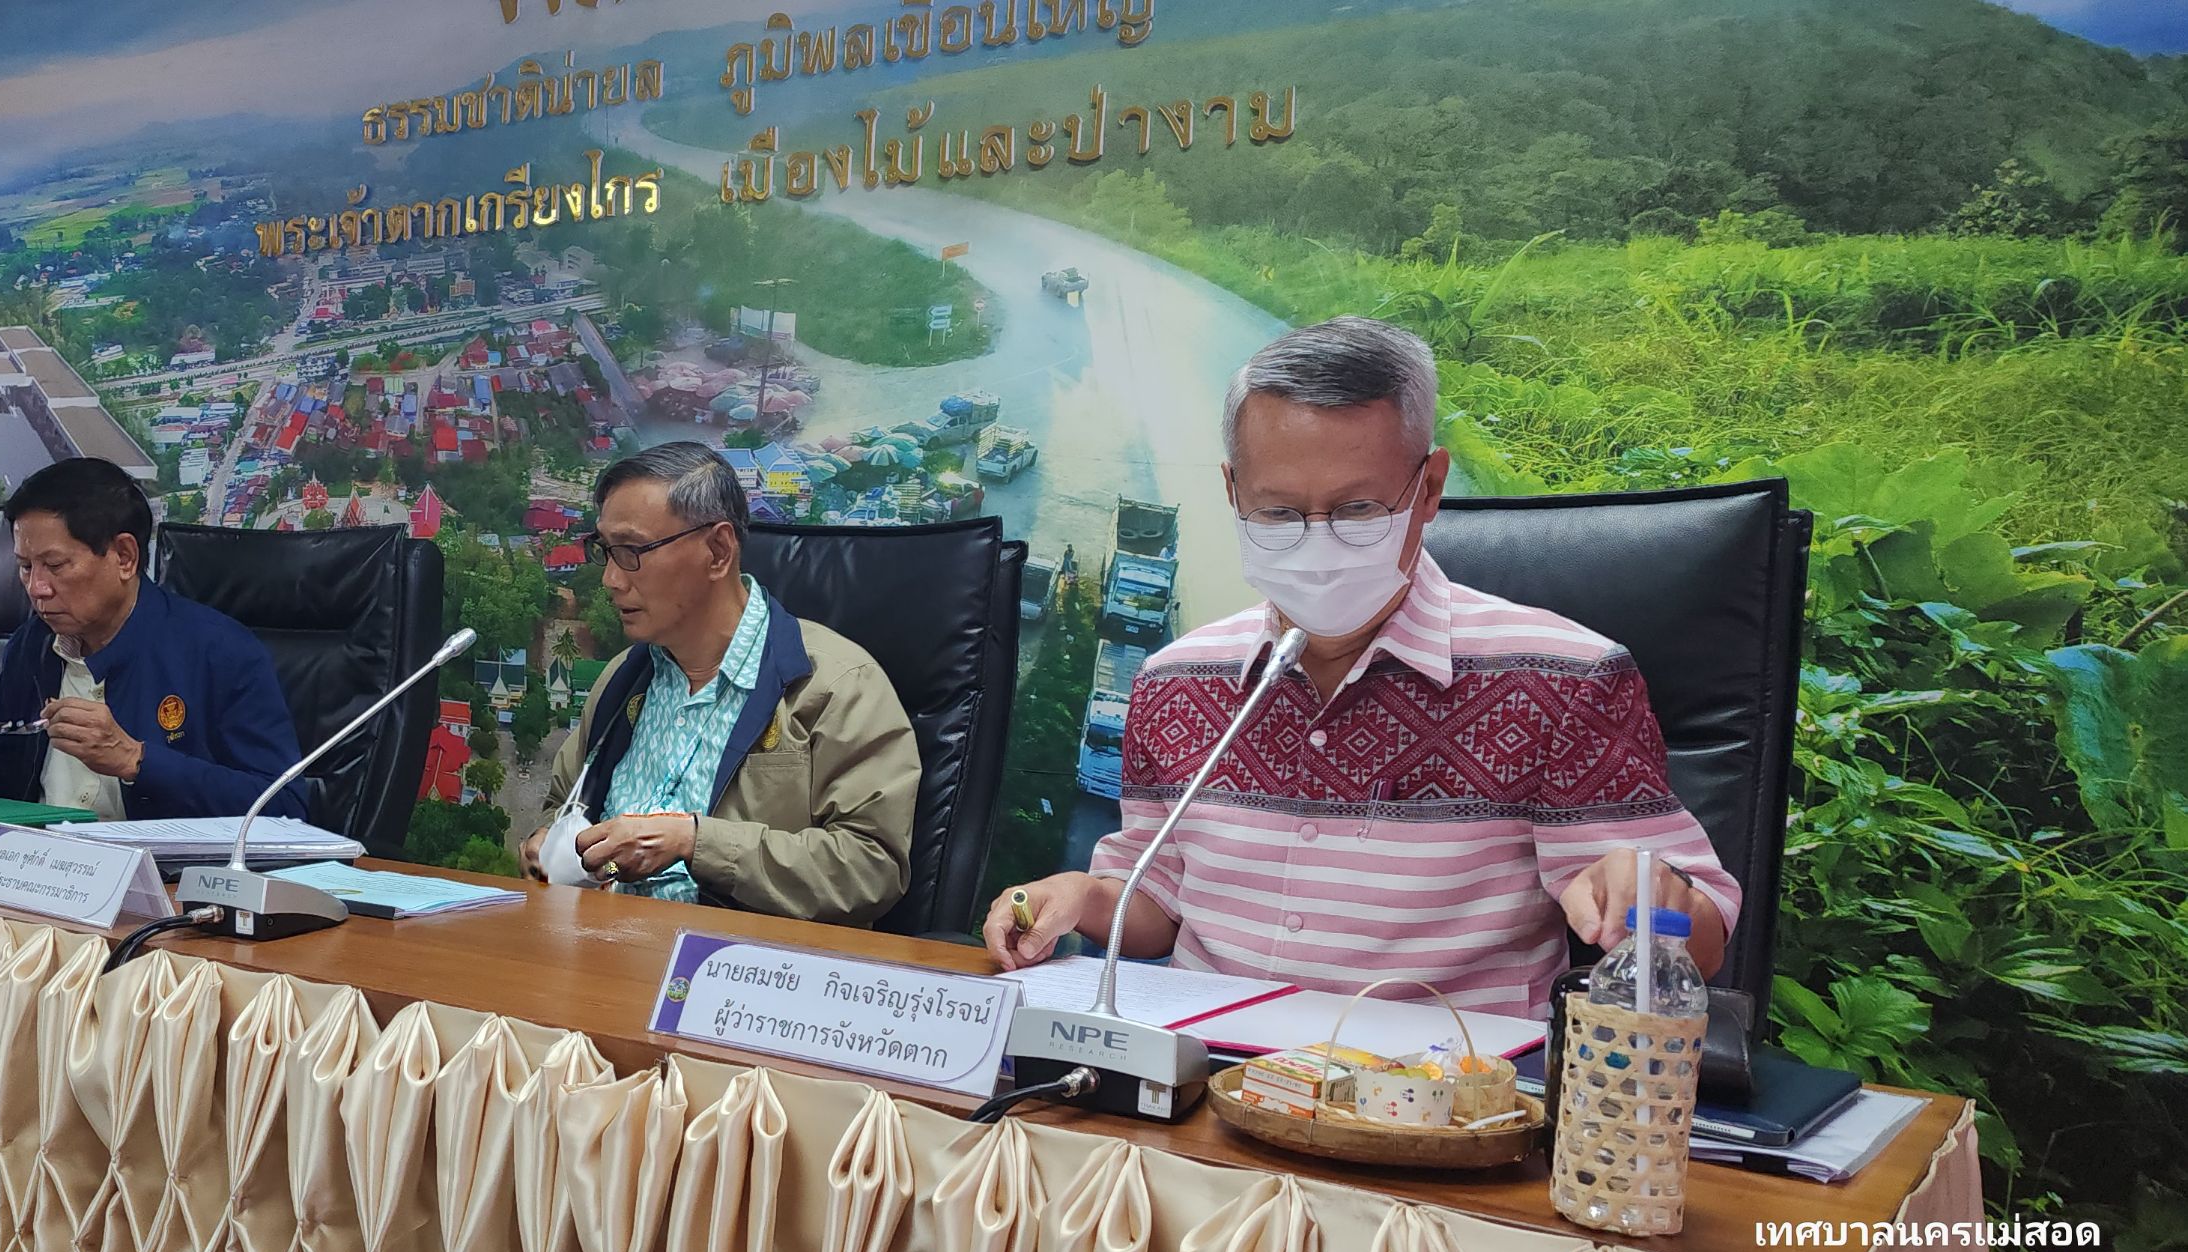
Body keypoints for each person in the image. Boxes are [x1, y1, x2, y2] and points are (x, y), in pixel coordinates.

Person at [982, 317, 1740, 1017]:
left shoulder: (1565, 679)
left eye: (1357, 511)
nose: (1317, 542)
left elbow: (1701, 948)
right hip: (1204, 1077)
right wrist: (1081, 894)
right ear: (1232, 491)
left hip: (1440, 1096)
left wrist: (1650, 899)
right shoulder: (1176, 680)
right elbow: (1158, 908)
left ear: (1429, 488)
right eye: (1278, 512)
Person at [521, 442, 920, 927]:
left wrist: (695, 842)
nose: (610, 579)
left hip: (744, 965)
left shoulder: (833, 686)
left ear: (718, 551)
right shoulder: (623, 680)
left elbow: (872, 868)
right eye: (605, 551)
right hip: (602, 948)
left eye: (631, 552)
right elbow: (562, 803)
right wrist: (547, 842)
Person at [0, 457, 305, 819]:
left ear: (124, 557)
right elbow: (0, 782)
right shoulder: (33, 645)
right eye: (25, 567)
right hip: (39, 862)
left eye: (55, 565)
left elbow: (285, 807)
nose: (37, 588)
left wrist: (136, 760)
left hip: (156, 873)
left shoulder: (220, 652)